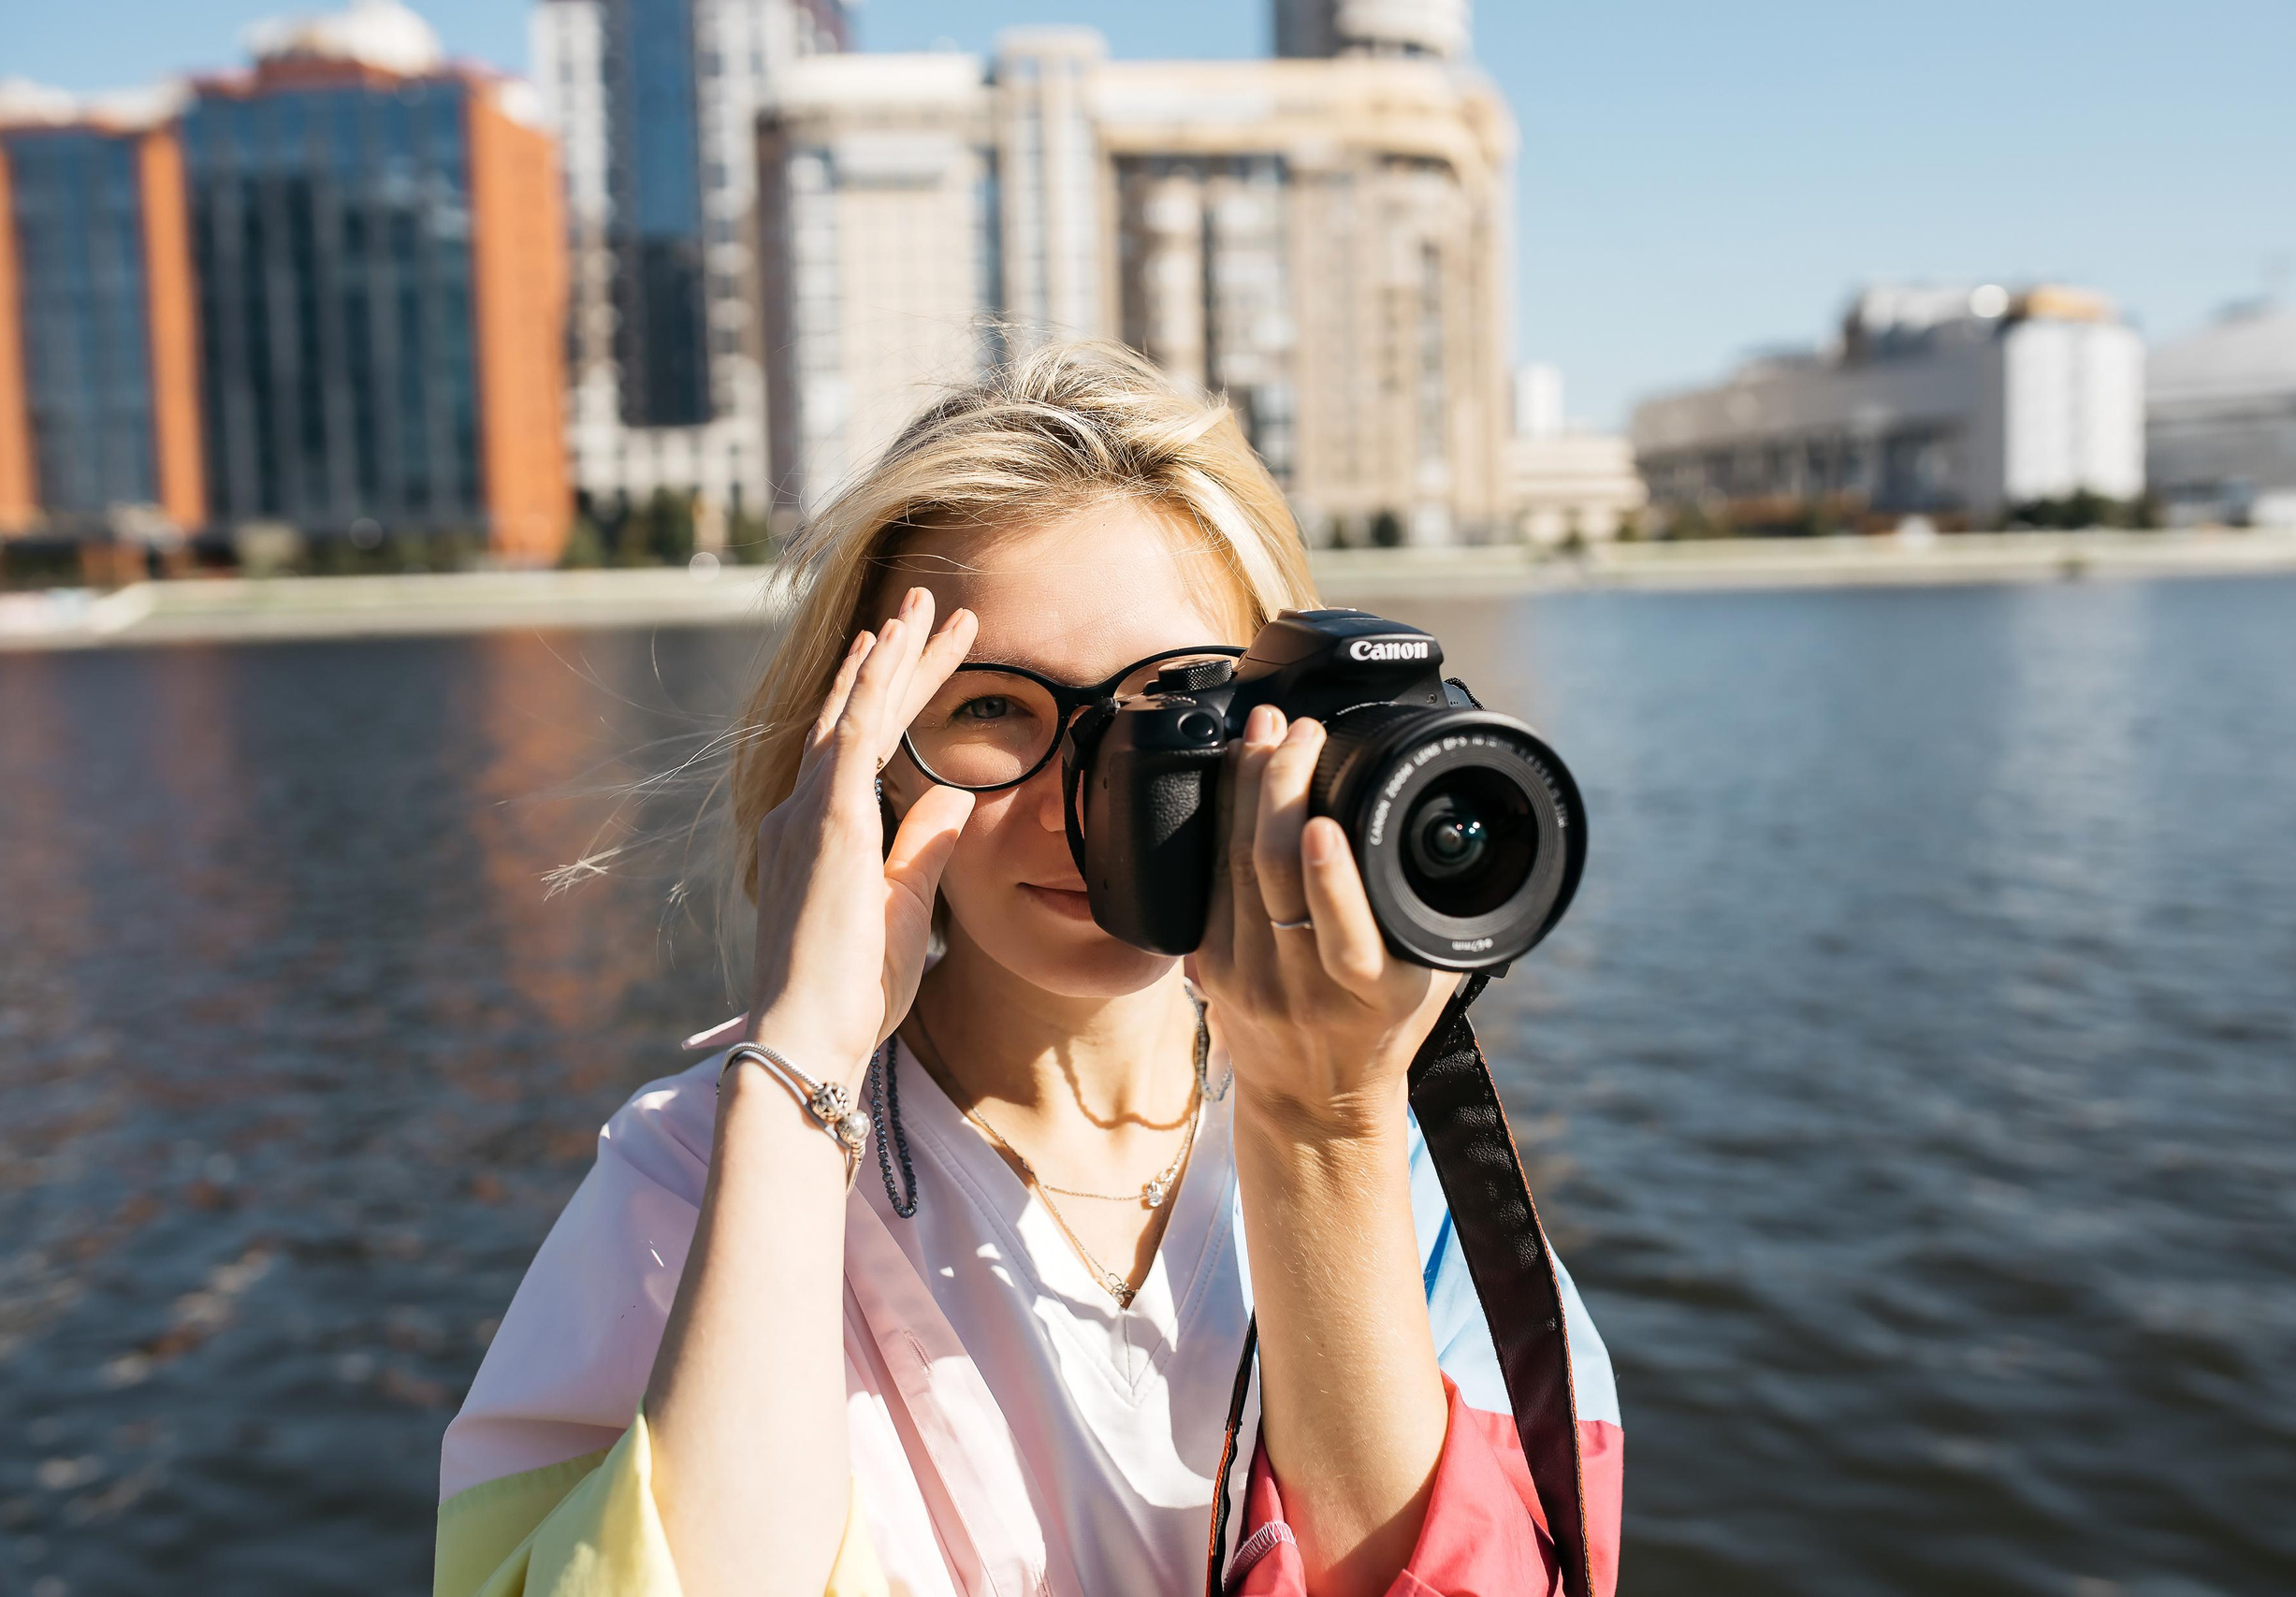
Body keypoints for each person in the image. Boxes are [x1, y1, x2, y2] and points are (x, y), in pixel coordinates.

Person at [433, 342, 1622, 1597]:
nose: (1082, 805)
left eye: (1176, 703)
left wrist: (1325, 1122)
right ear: (874, 752)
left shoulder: (1417, 1183)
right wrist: (802, 1064)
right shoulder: (690, 1178)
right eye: (994, 708)